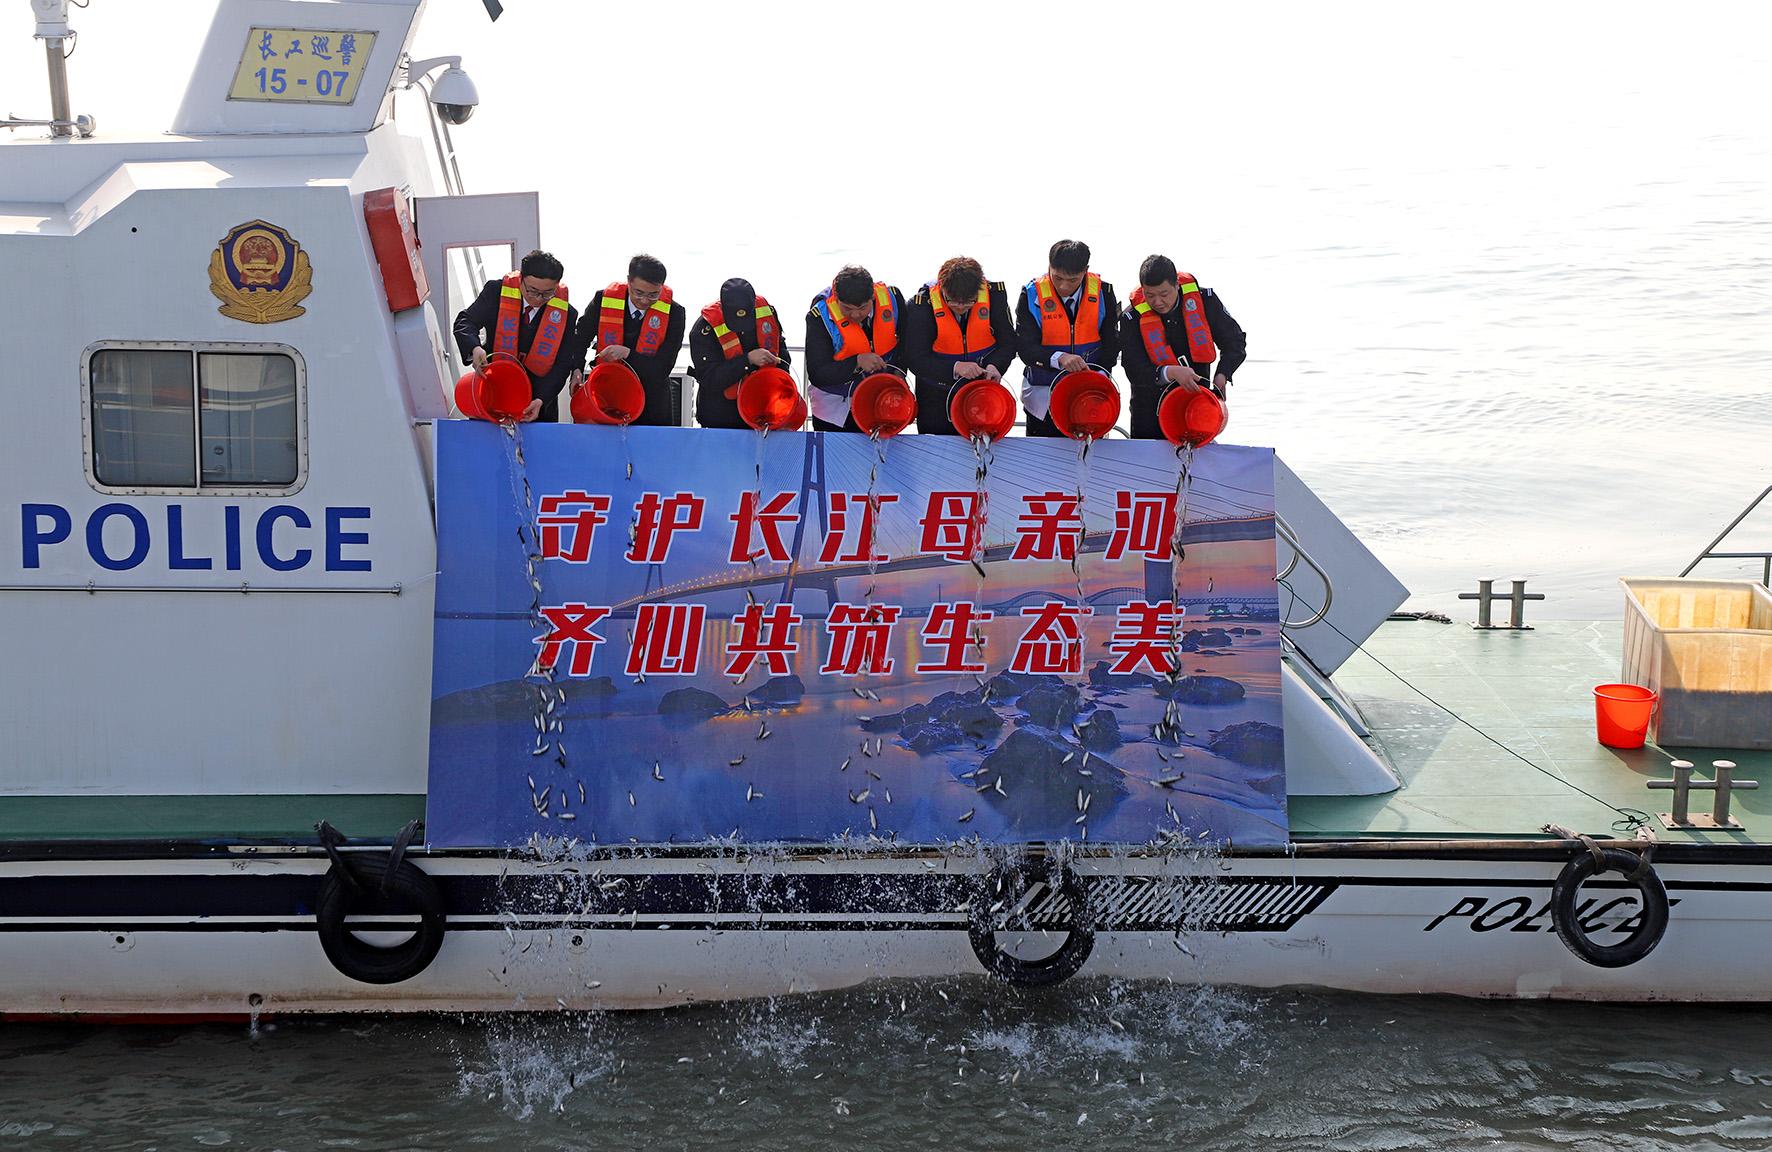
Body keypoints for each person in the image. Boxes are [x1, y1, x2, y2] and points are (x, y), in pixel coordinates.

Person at [1118, 255, 1247, 439]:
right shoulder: (1131, 317)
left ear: (1177, 285)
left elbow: (1235, 342)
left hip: (1196, 408)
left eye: (1164, 294)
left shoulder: (1205, 300)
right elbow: (1132, 368)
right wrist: (1170, 372)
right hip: (1149, 415)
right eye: (1150, 295)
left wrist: (1222, 374)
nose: (1157, 302)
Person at [452, 249, 578, 423]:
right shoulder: (495, 292)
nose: (538, 299)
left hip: (536, 404)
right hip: (494, 392)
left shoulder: (567, 314)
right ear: (521, 279)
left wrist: (541, 400)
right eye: (532, 291)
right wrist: (474, 347)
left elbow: (562, 364)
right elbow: (465, 321)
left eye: (547, 293)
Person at [1014, 239, 1121, 437]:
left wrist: (1099, 377)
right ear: (1049, 266)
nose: (1063, 286)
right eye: (1057, 278)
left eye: (1072, 280)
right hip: (1043, 399)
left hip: (1089, 397)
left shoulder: (1103, 293)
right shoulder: (1030, 294)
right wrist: (1059, 358)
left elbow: (1112, 344)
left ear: (1085, 270)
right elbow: (1025, 348)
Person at [899, 256, 1017, 435]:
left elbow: (1008, 342)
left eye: (969, 301)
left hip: (981, 394)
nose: (960, 307)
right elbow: (915, 359)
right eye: (953, 300)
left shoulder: (995, 295)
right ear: (942, 288)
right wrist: (955, 368)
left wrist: (995, 366)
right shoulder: (921, 304)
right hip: (936, 398)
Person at [573, 254, 686, 426]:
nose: (644, 300)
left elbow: (662, 368)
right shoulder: (603, 300)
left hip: (651, 401)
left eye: (653, 295)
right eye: (638, 293)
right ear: (629, 281)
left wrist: (627, 353)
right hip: (607, 395)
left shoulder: (675, 313)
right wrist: (576, 368)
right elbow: (580, 338)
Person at [803, 265, 907, 433]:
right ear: (836, 299)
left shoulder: (894, 298)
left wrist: (899, 373)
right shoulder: (818, 317)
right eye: (847, 308)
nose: (856, 315)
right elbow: (817, 373)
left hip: (880, 402)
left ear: (872, 297)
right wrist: (856, 362)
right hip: (834, 410)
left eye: (863, 308)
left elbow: (907, 344)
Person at [688, 278, 794, 429]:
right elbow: (709, 377)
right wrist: (747, 360)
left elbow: (780, 347)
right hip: (721, 415)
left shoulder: (766, 312)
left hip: (762, 409)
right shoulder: (703, 329)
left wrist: (782, 383)